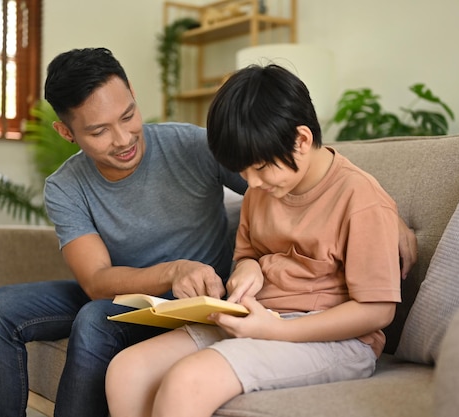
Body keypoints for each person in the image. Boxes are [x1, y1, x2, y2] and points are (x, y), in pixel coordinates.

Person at [0, 48, 416, 417]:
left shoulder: (202, 149)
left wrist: (388, 214)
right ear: (67, 132)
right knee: (9, 315)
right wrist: (235, 270)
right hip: (148, 293)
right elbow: (97, 281)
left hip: (271, 317)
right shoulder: (67, 187)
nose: (124, 138)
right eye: (101, 130)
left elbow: (322, 187)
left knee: (106, 328)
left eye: (129, 115)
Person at [105, 64, 404, 417]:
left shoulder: (360, 198)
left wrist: (276, 330)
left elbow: (378, 310)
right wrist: (249, 271)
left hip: (334, 339)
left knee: (188, 381)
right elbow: (250, 254)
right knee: (127, 370)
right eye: (243, 171)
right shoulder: (260, 191)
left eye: (259, 168)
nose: (252, 182)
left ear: (302, 140)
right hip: (258, 318)